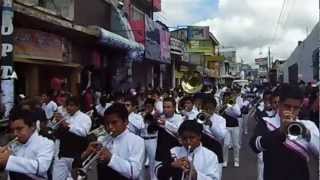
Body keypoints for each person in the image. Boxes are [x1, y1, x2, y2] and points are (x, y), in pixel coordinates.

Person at [249, 84, 319, 180]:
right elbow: (255, 145)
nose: (291, 111)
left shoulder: (308, 125)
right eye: (287, 106)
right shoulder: (266, 122)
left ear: (301, 107)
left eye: (296, 108)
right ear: (279, 104)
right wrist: (280, 132)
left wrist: (306, 133)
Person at [81, 103, 145, 180]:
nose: (110, 127)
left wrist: (111, 158)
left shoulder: (137, 141)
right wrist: (86, 153)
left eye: (114, 122)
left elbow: (134, 173)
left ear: (125, 121)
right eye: (107, 124)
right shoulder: (102, 140)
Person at [155, 120, 219, 180]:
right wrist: (172, 165)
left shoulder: (211, 156)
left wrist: (196, 175)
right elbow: (158, 173)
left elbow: (214, 178)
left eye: (192, 138)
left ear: (199, 136)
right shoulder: (173, 151)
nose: (188, 142)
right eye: (184, 138)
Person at [0, 109, 54, 180]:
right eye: (13, 130)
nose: (15, 133)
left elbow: (41, 167)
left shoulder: (46, 143)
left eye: (19, 129)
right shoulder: (13, 144)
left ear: (33, 126)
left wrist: (8, 160)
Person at [52, 96, 92, 180]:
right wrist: (56, 123)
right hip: (61, 155)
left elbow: (83, 132)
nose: (68, 108)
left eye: (71, 105)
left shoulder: (85, 118)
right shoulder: (65, 116)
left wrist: (66, 124)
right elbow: (55, 132)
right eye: (67, 106)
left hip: (76, 156)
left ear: (78, 106)